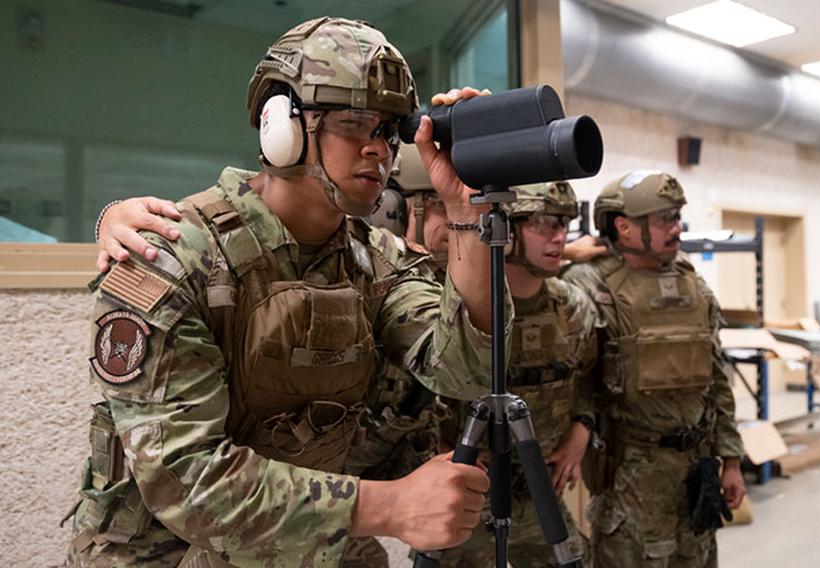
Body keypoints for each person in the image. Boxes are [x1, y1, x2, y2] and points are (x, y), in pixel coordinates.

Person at [64, 17, 503, 567]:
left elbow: (464, 366)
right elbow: (187, 481)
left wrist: (467, 211)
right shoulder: (175, 258)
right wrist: (387, 506)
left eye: (389, 131)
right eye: (354, 123)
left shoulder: (377, 260)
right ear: (282, 126)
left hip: (305, 548)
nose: (379, 150)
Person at [561, 170, 747, 568]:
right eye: (664, 218)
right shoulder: (588, 284)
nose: (676, 228)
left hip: (695, 473)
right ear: (624, 227)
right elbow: (573, 377)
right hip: (632, 475)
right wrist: (561, 256)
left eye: (677, 216)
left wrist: (731, 460)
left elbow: (716, 380)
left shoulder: (693, 286)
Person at [437, 181, 597, 567]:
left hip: (541, 496)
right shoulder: (462, 308)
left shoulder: (572, 308)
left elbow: (589, 378)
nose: (558, 237)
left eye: (562, 224)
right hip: (466, 502)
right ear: (505, 231)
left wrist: (582, 428)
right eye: (543, 224)